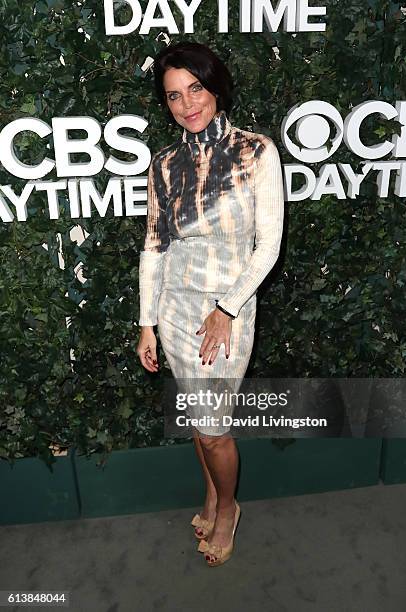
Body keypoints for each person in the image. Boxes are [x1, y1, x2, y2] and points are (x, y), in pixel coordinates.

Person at [136, 41, 285, 566]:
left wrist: (227, 308)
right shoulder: (164, 163)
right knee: (198, 419)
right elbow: (155, 247)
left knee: (213, 427)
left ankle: (228, 510)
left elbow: (268, 246)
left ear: (214, 86)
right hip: (175, 309)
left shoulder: (257, 151)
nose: (186, 104)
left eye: (195, 88)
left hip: (226, 312)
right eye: (174, 96)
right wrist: (147, 323)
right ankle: (212, 496)